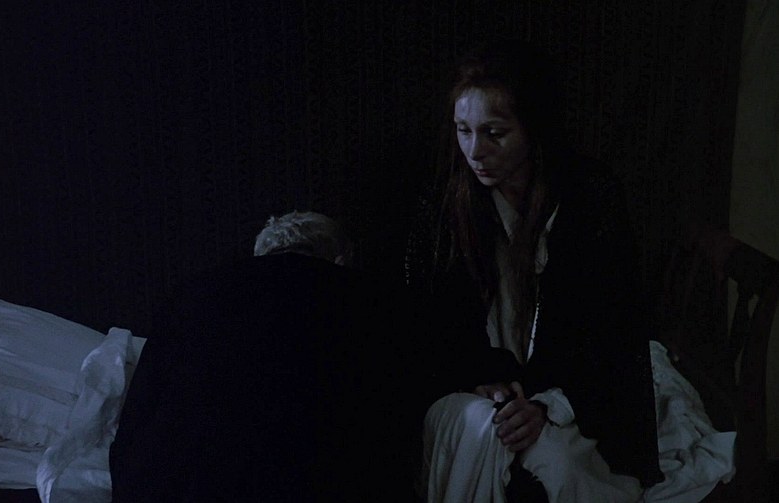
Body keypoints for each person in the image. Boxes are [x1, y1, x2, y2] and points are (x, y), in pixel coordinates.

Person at [405, 39, 664, 501]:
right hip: (476, 392)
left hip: (570, 393)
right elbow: (429, 325)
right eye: (464, 130)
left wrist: (549, 405)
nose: (475, 150)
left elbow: (610, 328)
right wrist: (480, 380)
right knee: (485, 431)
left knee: (561, 466)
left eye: (495, 133)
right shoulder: (445, 204)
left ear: (532, 128)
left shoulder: (589, 196)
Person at [110, 210, 423, 502]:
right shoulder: (372, 300)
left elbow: (140, 414)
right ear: (340, 259)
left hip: (196, 483)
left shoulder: (192, 295)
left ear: (260, 255)